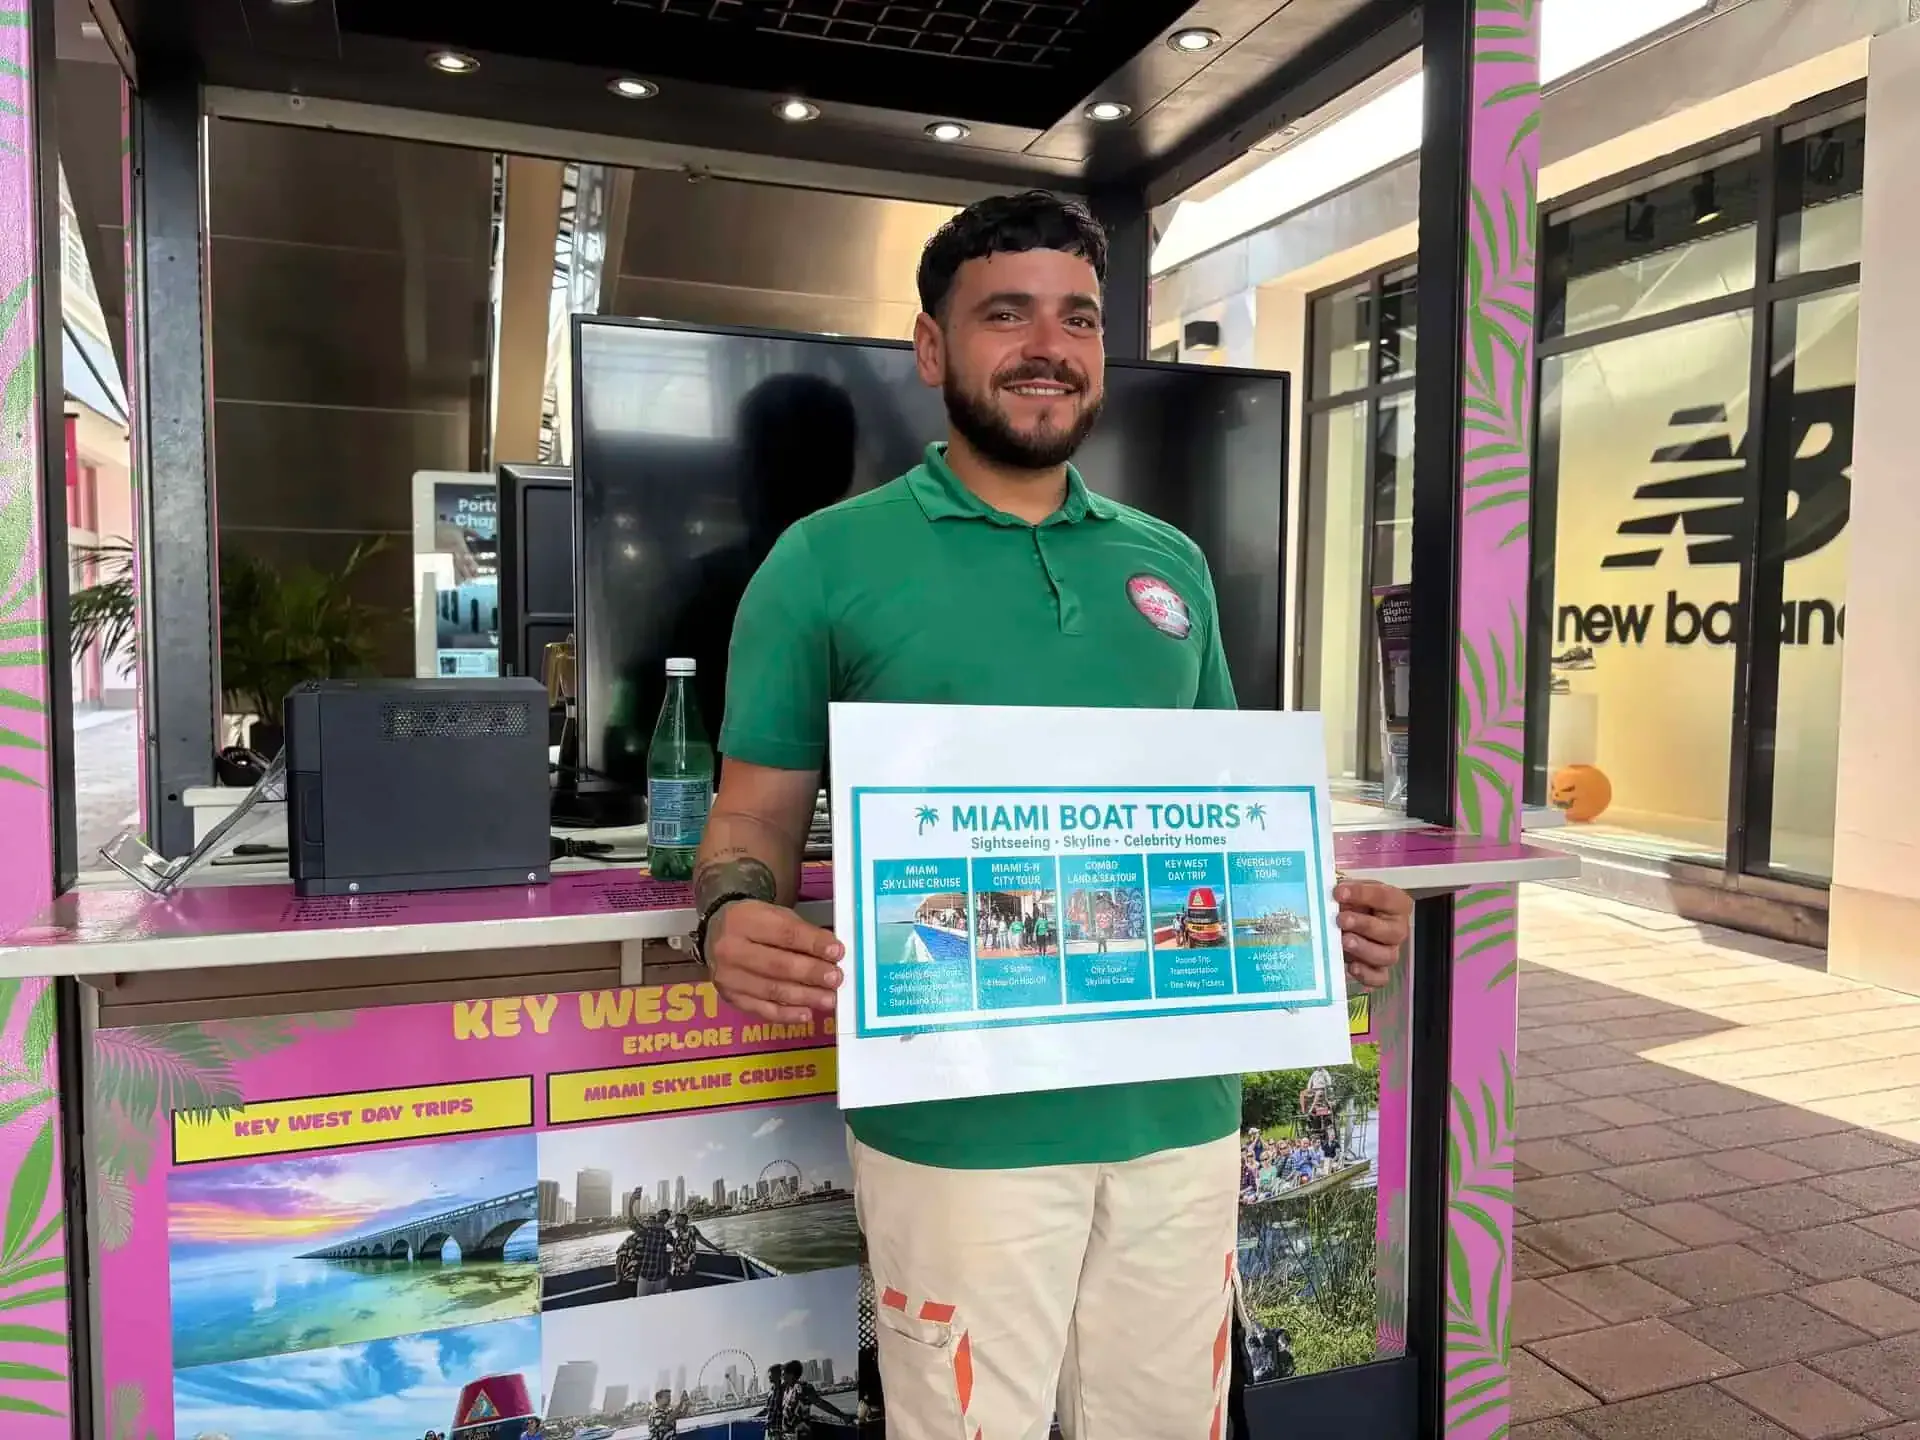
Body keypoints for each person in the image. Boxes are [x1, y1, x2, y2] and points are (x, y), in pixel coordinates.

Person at [693, 190, 1413, 1440]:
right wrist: (730, 914)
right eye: (1005, 312)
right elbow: (750, 822)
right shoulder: (823, 561)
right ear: (932, 349)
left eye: (1077, 317)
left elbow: (1224, 816)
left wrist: (1320, 913)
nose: (1047, 344)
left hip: (1178, 1115)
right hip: (956, 1121)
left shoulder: (1170, 564)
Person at [781, 1359, 852, 1439]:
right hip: (787, 1436)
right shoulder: (787, 1390)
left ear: (791, 1374)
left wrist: (842, 1415)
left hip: (800, 1435)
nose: (782, 1377)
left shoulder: (804, 1388)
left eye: (783, 1374)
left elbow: (821, 1404)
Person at [614, 1205, 673, 1297]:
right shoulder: (646, 1232)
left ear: (667, 1219)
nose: (662, 1216)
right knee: (642, 1302)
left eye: (664, 1215)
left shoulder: (667, 1234)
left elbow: (678, 1244)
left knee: (659, 1303)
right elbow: (632, 1222)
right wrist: (631, 1203)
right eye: (660, 1214)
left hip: (660, 1276)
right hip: (646, 1275)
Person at [765, 1364, 790, 1438]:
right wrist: (753, 1417)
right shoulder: (771, 1391)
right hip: (772, 1430)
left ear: (778, 1374)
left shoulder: (785, 1389)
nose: (769, 1375)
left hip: (782, 1431)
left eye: (771, 1373)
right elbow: (767, 1409)